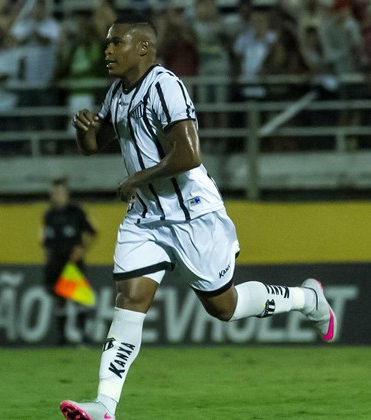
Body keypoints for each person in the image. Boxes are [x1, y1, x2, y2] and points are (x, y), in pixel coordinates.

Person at [59, 14, 337, 420]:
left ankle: (307, 299)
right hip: (147, 217)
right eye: (107, 43)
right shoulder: (117, 92)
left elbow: (189, 155)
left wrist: (137, 177)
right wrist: (84, 131)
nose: (107, 50)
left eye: (116, 42)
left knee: (223, 307)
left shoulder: (166, 86)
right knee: (130, 300)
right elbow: (93, 145)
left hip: (193, 215)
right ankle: (104, 405)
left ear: (143, 48)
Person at [41, 177, 97, 345]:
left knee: (79, 298)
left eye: (60, 192)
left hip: (72, 262)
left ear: (66, 193)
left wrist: (82, 249)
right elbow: (45, 240)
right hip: (56, 262)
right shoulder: (49, 214)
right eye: (54, 192)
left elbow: (93, 232)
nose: (57, 195)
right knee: (60, 300)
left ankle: (83, 335)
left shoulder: (75, 212)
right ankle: (62, 338)